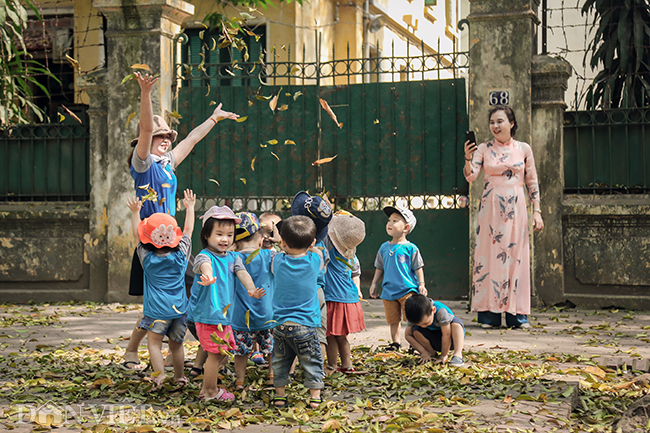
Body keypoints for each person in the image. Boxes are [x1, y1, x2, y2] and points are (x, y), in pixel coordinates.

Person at [122, 72, 239, 370]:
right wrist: (145, 93)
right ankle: (139, 351)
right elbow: (146, 129)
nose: (164, 140)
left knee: (173, 295)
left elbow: (192, 139)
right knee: (159, 300)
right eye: (159, 137)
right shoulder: (143, 164)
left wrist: (214, 118)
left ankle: (199, 349)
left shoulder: (168, 164)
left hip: (174, 240)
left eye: (166, 137)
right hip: (151, 242)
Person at [463, 105, 544, 329]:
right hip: (490, 209)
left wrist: (537, 210)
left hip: (516, 209)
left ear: (512, 123)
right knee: (489, 258)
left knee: (516, 257)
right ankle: (489, 315)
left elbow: (532, 181)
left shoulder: (523, 149)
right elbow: (471, 177)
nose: (495, 126)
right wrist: (468, 158)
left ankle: (516, 316)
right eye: (492, 122)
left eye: (500, 121)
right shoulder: (483, 148)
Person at [191, 206, 265, 402]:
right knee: (215, 356)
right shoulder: (204, 256)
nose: (225, 239)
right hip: (209, 315)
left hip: (224, 317)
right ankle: (209, 392)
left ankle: (208, 386)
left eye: (230, 235)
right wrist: (207, 275)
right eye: (219, 234)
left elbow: (242, 273)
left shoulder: (234, 257)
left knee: (223, 354)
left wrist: (250, 289)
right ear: (206, 235)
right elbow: (204, 265)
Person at [125, 189, 196, 388]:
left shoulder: (146, 258)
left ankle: (159, 377)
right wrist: (189, 208)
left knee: (154, 344)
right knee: (177, 347)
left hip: (156, 312)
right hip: (180, 310)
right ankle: (180, 377)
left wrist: (134, 213)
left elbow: (137, 237)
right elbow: (188, 231)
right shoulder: (182, 255)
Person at [271, 216, 325, 409]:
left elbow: (278, 255)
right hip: (305, 325)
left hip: (280, 325)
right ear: (312, 242)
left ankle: (279, 396)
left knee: (280, 362)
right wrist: (312, 246)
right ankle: (315, 398)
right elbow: (319, 254)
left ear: (283, 242)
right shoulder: (315, 259)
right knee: (311, 361)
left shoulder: (277, 260)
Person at [369, 205, 427, 351]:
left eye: (395, 220)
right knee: (393, 319)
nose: (390, 223)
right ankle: (395, 343)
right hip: (388, 291)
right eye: (389, 220)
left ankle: (414, 343)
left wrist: (421, 284)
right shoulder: (383, 247)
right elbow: (379, 267)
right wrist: (374, 283)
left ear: (406, 227)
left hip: (408, 290)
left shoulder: (411, 248)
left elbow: (418, 267)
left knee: (411, 319)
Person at [232, 212, 276, 389]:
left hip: (240, 318)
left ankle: (240, 380)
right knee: (272, 349)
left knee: (241, 352)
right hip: (267, 315)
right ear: (260, 240)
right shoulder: (269, 256)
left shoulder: (233, 258)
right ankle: (272, 375)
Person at [288, 191, 332, 372]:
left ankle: (287, 372)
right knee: (320, 335)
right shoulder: (321, 248)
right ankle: (316, 373)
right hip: (319, 293)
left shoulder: (293, 247)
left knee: (291, 333)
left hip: (298, 294)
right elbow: (324, 270)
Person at [323, 211, 366, 374]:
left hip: (334, 297)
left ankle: (333, 365)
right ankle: (347, 364)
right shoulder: (351, 254)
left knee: (331, 335)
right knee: (341, 336)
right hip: (348, 297)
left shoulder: (328, 246)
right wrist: (359, 289)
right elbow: (356, 274)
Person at [404, 294, 465, 367]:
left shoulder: (441, 311)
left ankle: (458, 355)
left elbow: (447, 334)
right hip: (433, 341)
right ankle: (431, 353)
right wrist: (423, 352)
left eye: (425, 323)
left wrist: (443, 355)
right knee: (416, 331)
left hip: (451, 340)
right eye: (420, 325)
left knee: (456, 323)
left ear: (433, 310)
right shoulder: (413, 315)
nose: (423, 326)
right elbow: (408, 335)